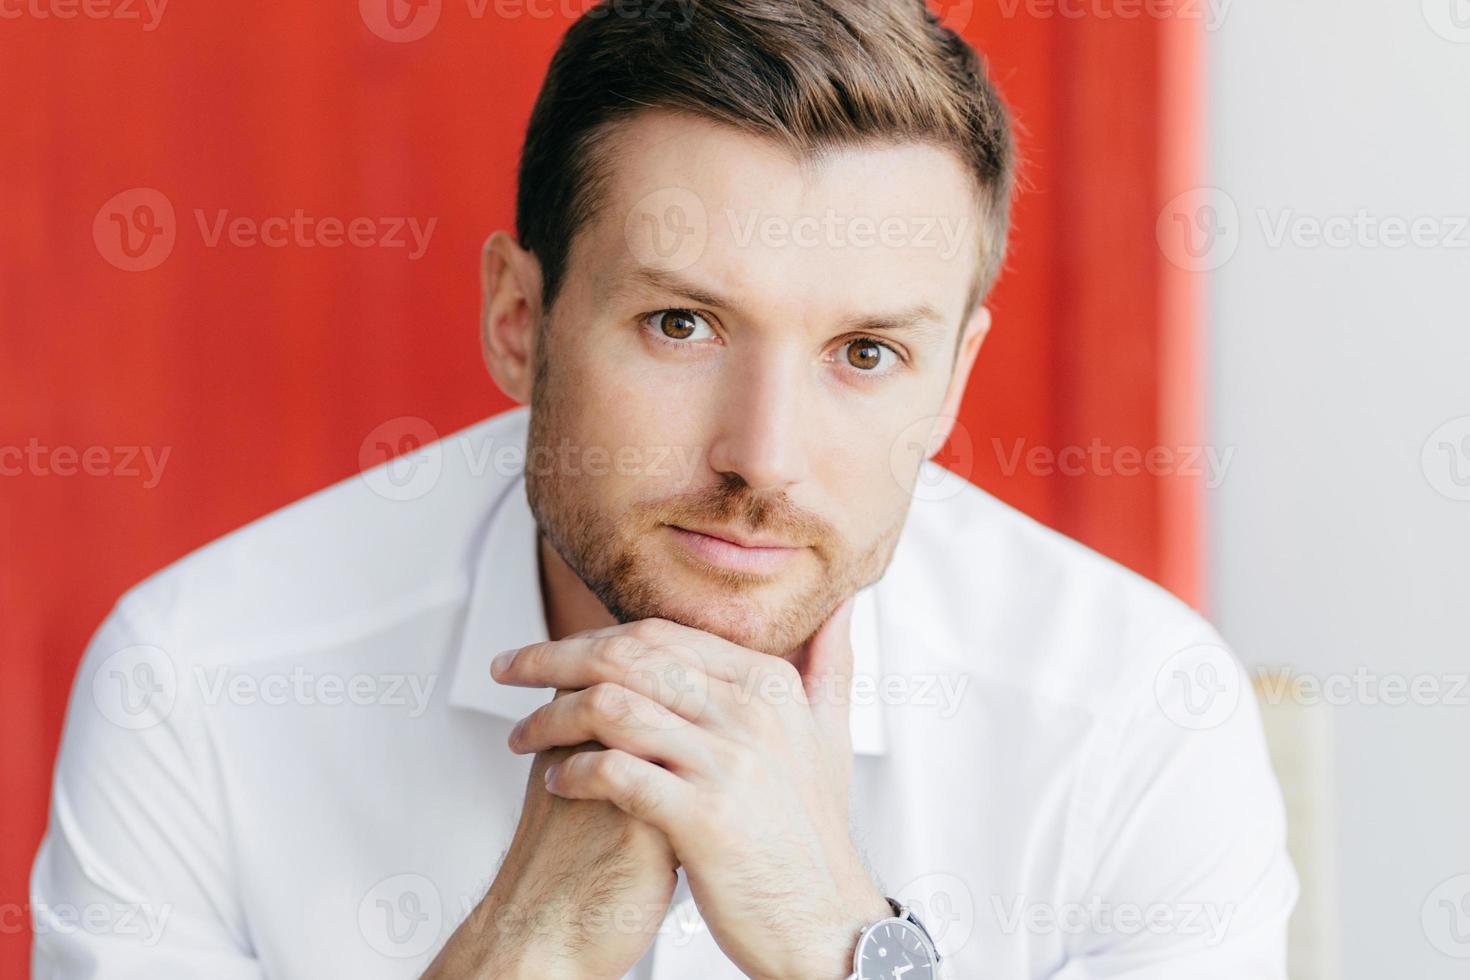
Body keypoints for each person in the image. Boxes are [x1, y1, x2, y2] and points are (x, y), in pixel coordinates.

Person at [31, 1, 1297, 977]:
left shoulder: (1137, 713)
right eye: (683, 324)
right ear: (519, 319)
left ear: (952, 382)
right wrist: (525, 947)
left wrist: (842, 939)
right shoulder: (196, 683)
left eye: (867, 354)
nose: (764, 454)